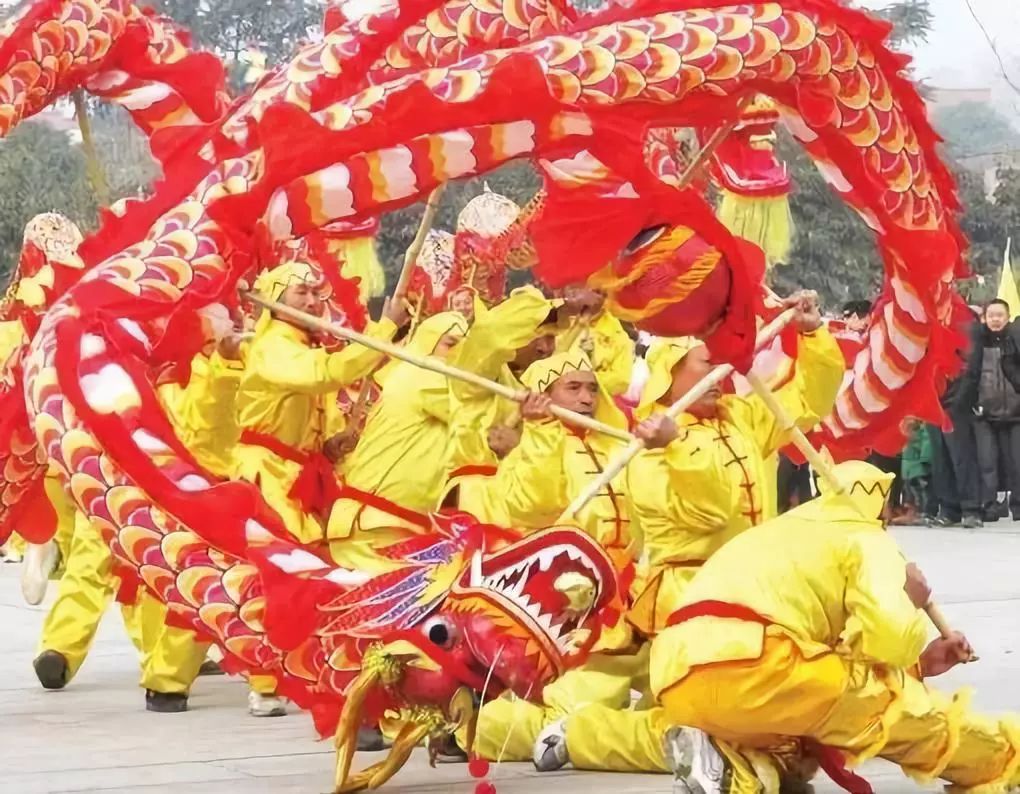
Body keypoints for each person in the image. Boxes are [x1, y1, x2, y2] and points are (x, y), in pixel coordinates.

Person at [529, 291, 845, 774]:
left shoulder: (745, 417)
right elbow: (709, 514)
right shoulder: (646, 446)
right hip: (688, 596)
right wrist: (676, 447)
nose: (721, 370)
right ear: (672, 372)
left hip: (754, 590)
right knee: (698, 716)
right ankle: (574, 734)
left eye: (721, 361)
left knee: (744, 710)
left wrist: (810, 331)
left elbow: (808, 398)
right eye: (706, 362)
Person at [654, 461, 1020, 793]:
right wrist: (907, 598)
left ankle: (737, 771)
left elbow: (838, 653)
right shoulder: (864, 536)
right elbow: (889, 640)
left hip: (676, 675)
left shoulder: (780, 528)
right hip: (757, 665)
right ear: (882, 502)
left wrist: (920, 666)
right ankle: (1005, 760)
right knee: (889, 708)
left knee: (803, 731)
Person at [232, 260, 406, 715]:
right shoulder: (273, 346)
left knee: (310, 570)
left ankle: (300, 670)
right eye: (300, 294)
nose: (312, 301)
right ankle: (264, 680)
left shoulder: (301, 344)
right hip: (265, 474)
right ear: (275, 300)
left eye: (314, 292)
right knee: (277, 571)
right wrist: (386, 328)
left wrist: (332, 446)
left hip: (297, 473)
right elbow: (323, 374)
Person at [468, 350, 641, 763]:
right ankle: (487, 729)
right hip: (576, 603)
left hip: (635, 590)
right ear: (544, 396)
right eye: (573, 388)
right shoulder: (531, 447)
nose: (587, 398)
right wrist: (541, 430)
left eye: (592, 389)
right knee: (590, 691)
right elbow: (532, 505)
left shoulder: (612, 440)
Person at [327, 311, 468, 573]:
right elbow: (479, 418)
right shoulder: (424, 375)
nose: (458, 355)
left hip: (392, 525)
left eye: (465, 348)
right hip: (376, 523)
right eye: (451, 344)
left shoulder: (422, 376)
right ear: (427, 342)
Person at [967, 298, 1020, 521]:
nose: (995, 320)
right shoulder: (977, 342)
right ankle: (989, 506)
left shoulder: (1015, 340)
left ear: (1007, 317)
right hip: (984, 413)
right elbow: (970, 376)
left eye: (1000, 315)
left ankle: (1017, 506)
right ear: (984, 318)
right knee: (987, 462)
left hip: (1016, 411)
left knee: (1017, 462)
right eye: (991, 316)